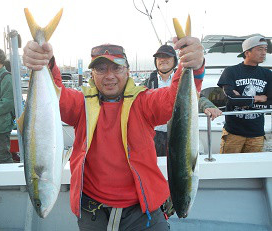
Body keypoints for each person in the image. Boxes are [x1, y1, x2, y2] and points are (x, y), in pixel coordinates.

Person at [22, 37, 204, 230]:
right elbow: (54, 95)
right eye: (101, 69)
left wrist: (195, 65)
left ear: (127, 70)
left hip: (142, 212)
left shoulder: (144, 102)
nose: (109, 76)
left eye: (116, 68)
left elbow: (175, 100)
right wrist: (45, 62)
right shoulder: (80, 104)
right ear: (92, 74)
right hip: (93, 212)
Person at [145, 44, 222, 157]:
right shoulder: (147, 83)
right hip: (154, 134)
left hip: (178, 133)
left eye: (167, 57)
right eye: (159, 57)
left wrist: (208, 106)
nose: (162, 60)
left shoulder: (182, 79)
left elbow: (194, 97)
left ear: (175, 61)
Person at [217, 35, 272, 154]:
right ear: (247, 52)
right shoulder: (231, 71)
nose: (264, 53)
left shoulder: (268, 74)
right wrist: (257, 98)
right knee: (228, 167)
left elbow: (270, 103)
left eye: (265, 49)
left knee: (252, 171)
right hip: (233, 133)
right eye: (260, 49)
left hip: (257, 134)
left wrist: (243, 101)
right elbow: (231, 98)